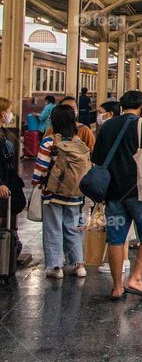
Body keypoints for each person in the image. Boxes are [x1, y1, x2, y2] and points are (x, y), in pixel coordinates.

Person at [92, 90, 142, 300]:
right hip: (141, 192)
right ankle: (136, 278)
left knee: (115, 239)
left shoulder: (107, 126)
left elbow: (97, 157)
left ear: (122, 106)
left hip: (113, 193)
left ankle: (117, 288)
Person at [32, 104, 90, 279]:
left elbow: (41, 168)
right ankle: (78, 265)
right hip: (75, 194)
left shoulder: (49, 142)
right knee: (73, 228)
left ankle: (55, 267)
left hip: (53, 194)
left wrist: (36, 182)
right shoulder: (79, 143)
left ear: (54, 121)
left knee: (53, 229)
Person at [93, 99, 131, 275]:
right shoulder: (132, 126)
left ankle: (116, 263)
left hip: (112, 185)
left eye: (100, 112)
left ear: (110, 113)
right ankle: (125, 259)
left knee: (115, 225)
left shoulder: (107, 129)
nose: (98, 115)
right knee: (124, 223)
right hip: (130, 185)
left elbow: (97, 158)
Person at [0, 97, 28, 267]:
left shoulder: (3, 133)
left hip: (8, 183)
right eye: (9, 111)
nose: (11, 114)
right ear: (2, 113)